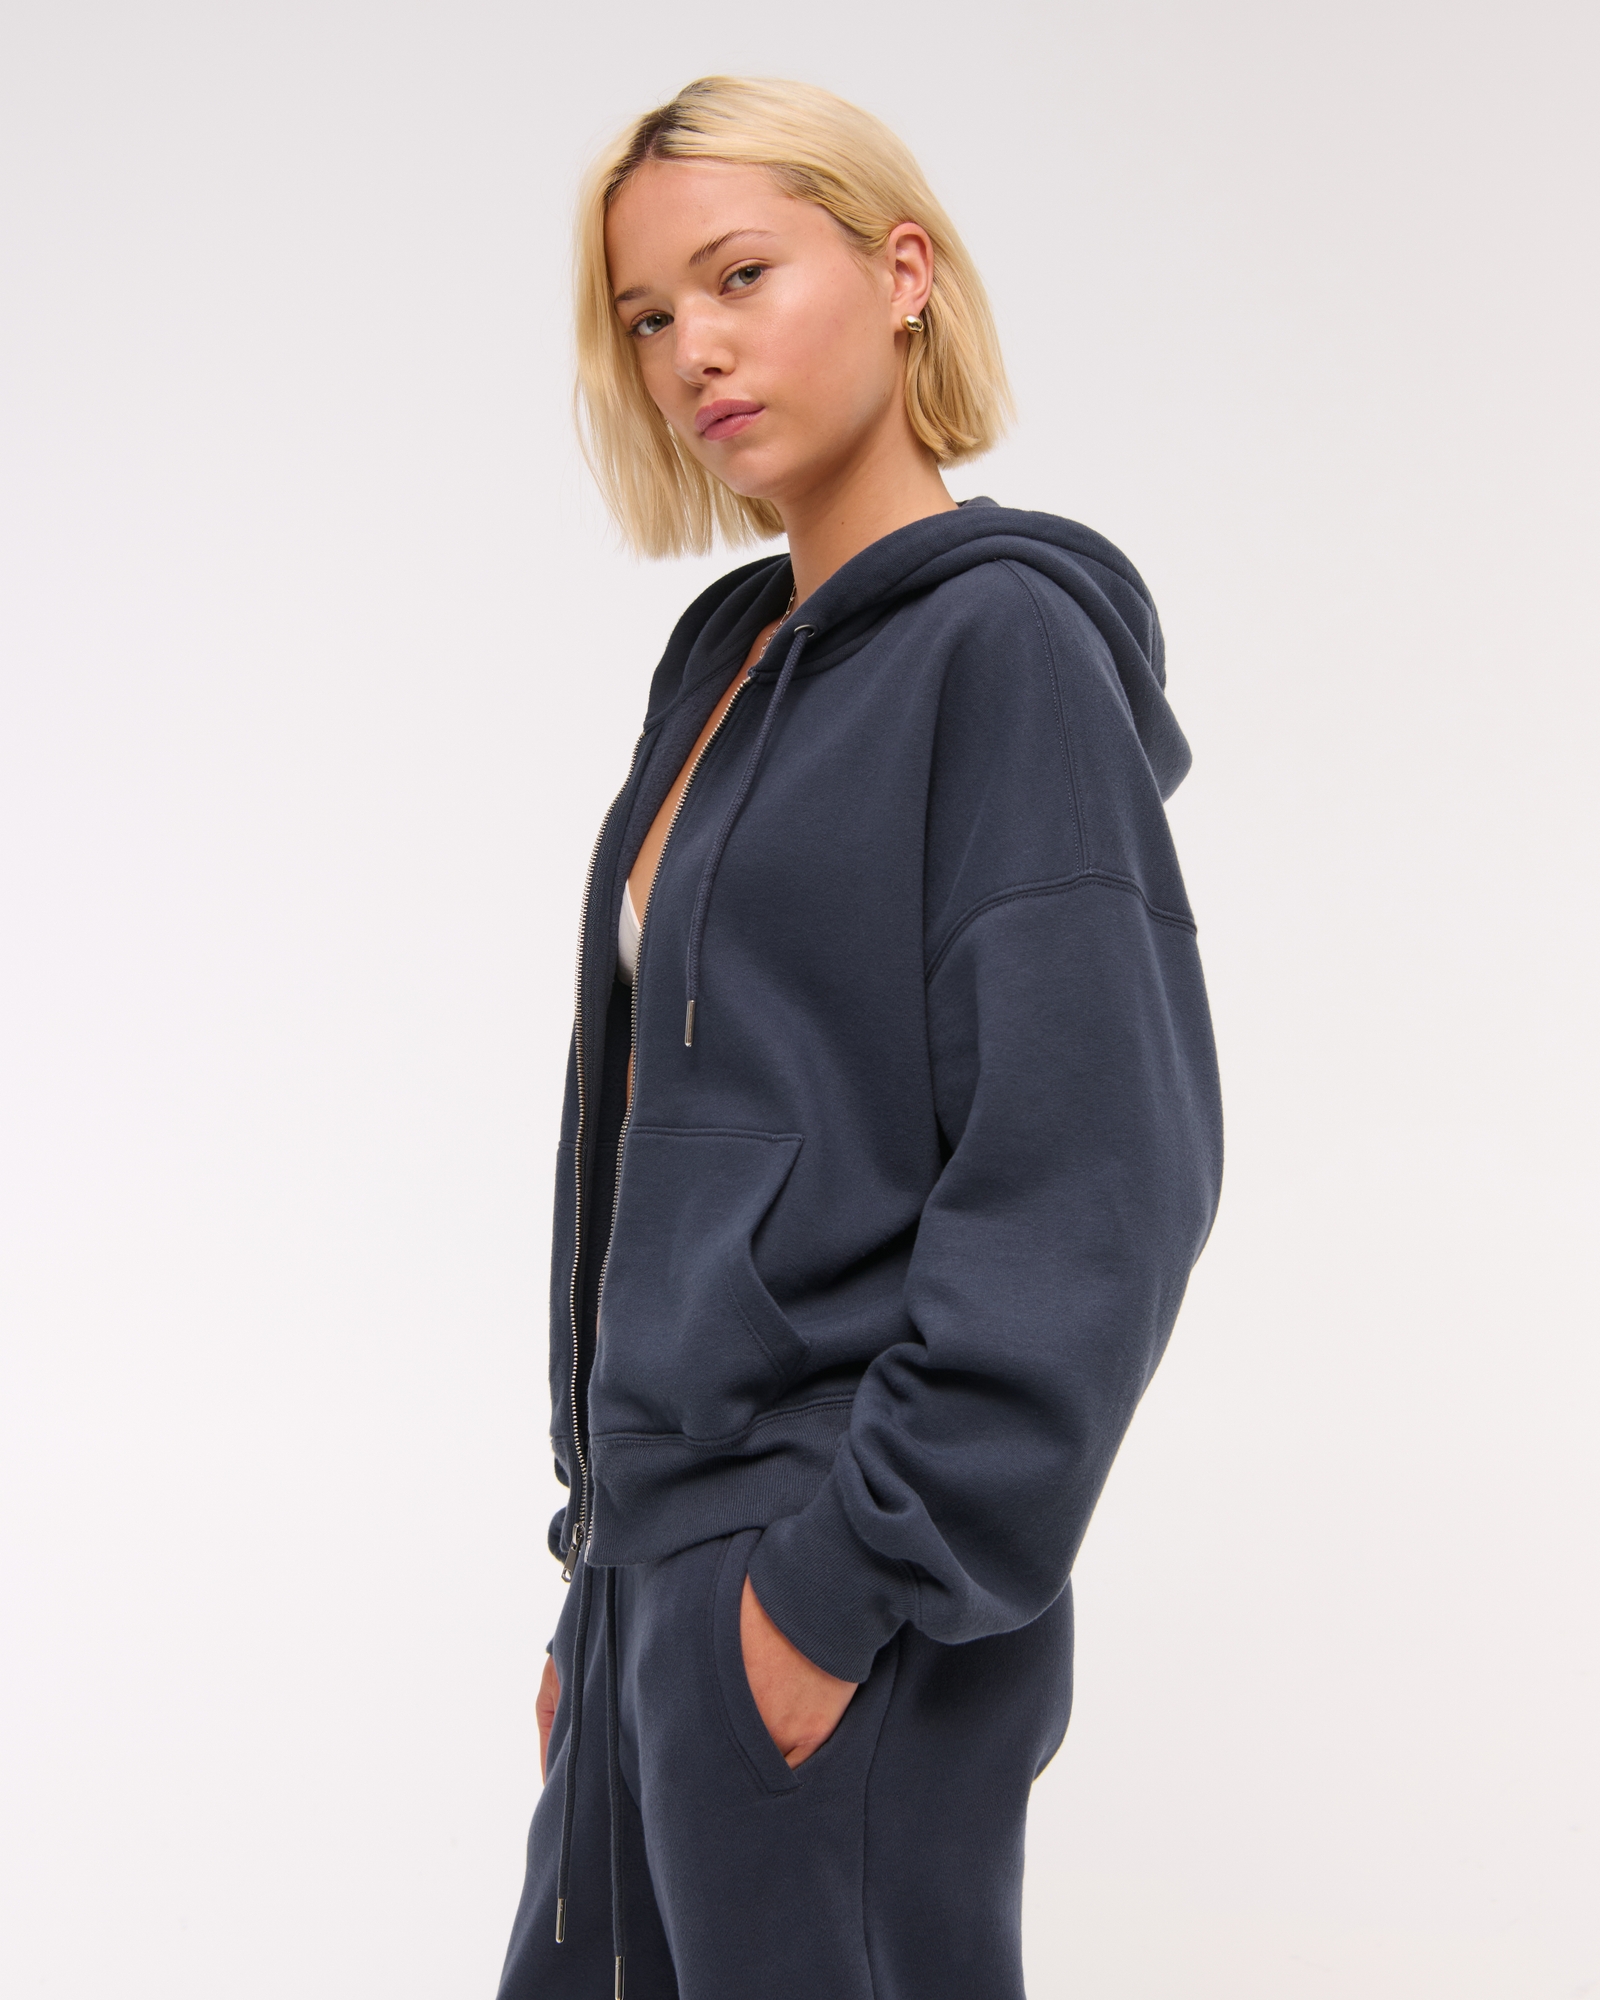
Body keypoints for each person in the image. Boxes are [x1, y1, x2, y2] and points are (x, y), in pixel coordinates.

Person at [497, 75, 1222, 2000]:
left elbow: (1096, 1172)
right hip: (654, 1568)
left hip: (835, 1577)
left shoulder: (1008, 647)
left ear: (903, 273)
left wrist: (840, 1585)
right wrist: (601, 1575)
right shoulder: (722, 670)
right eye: (648, 314)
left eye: (741, 276)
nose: (692, 351)